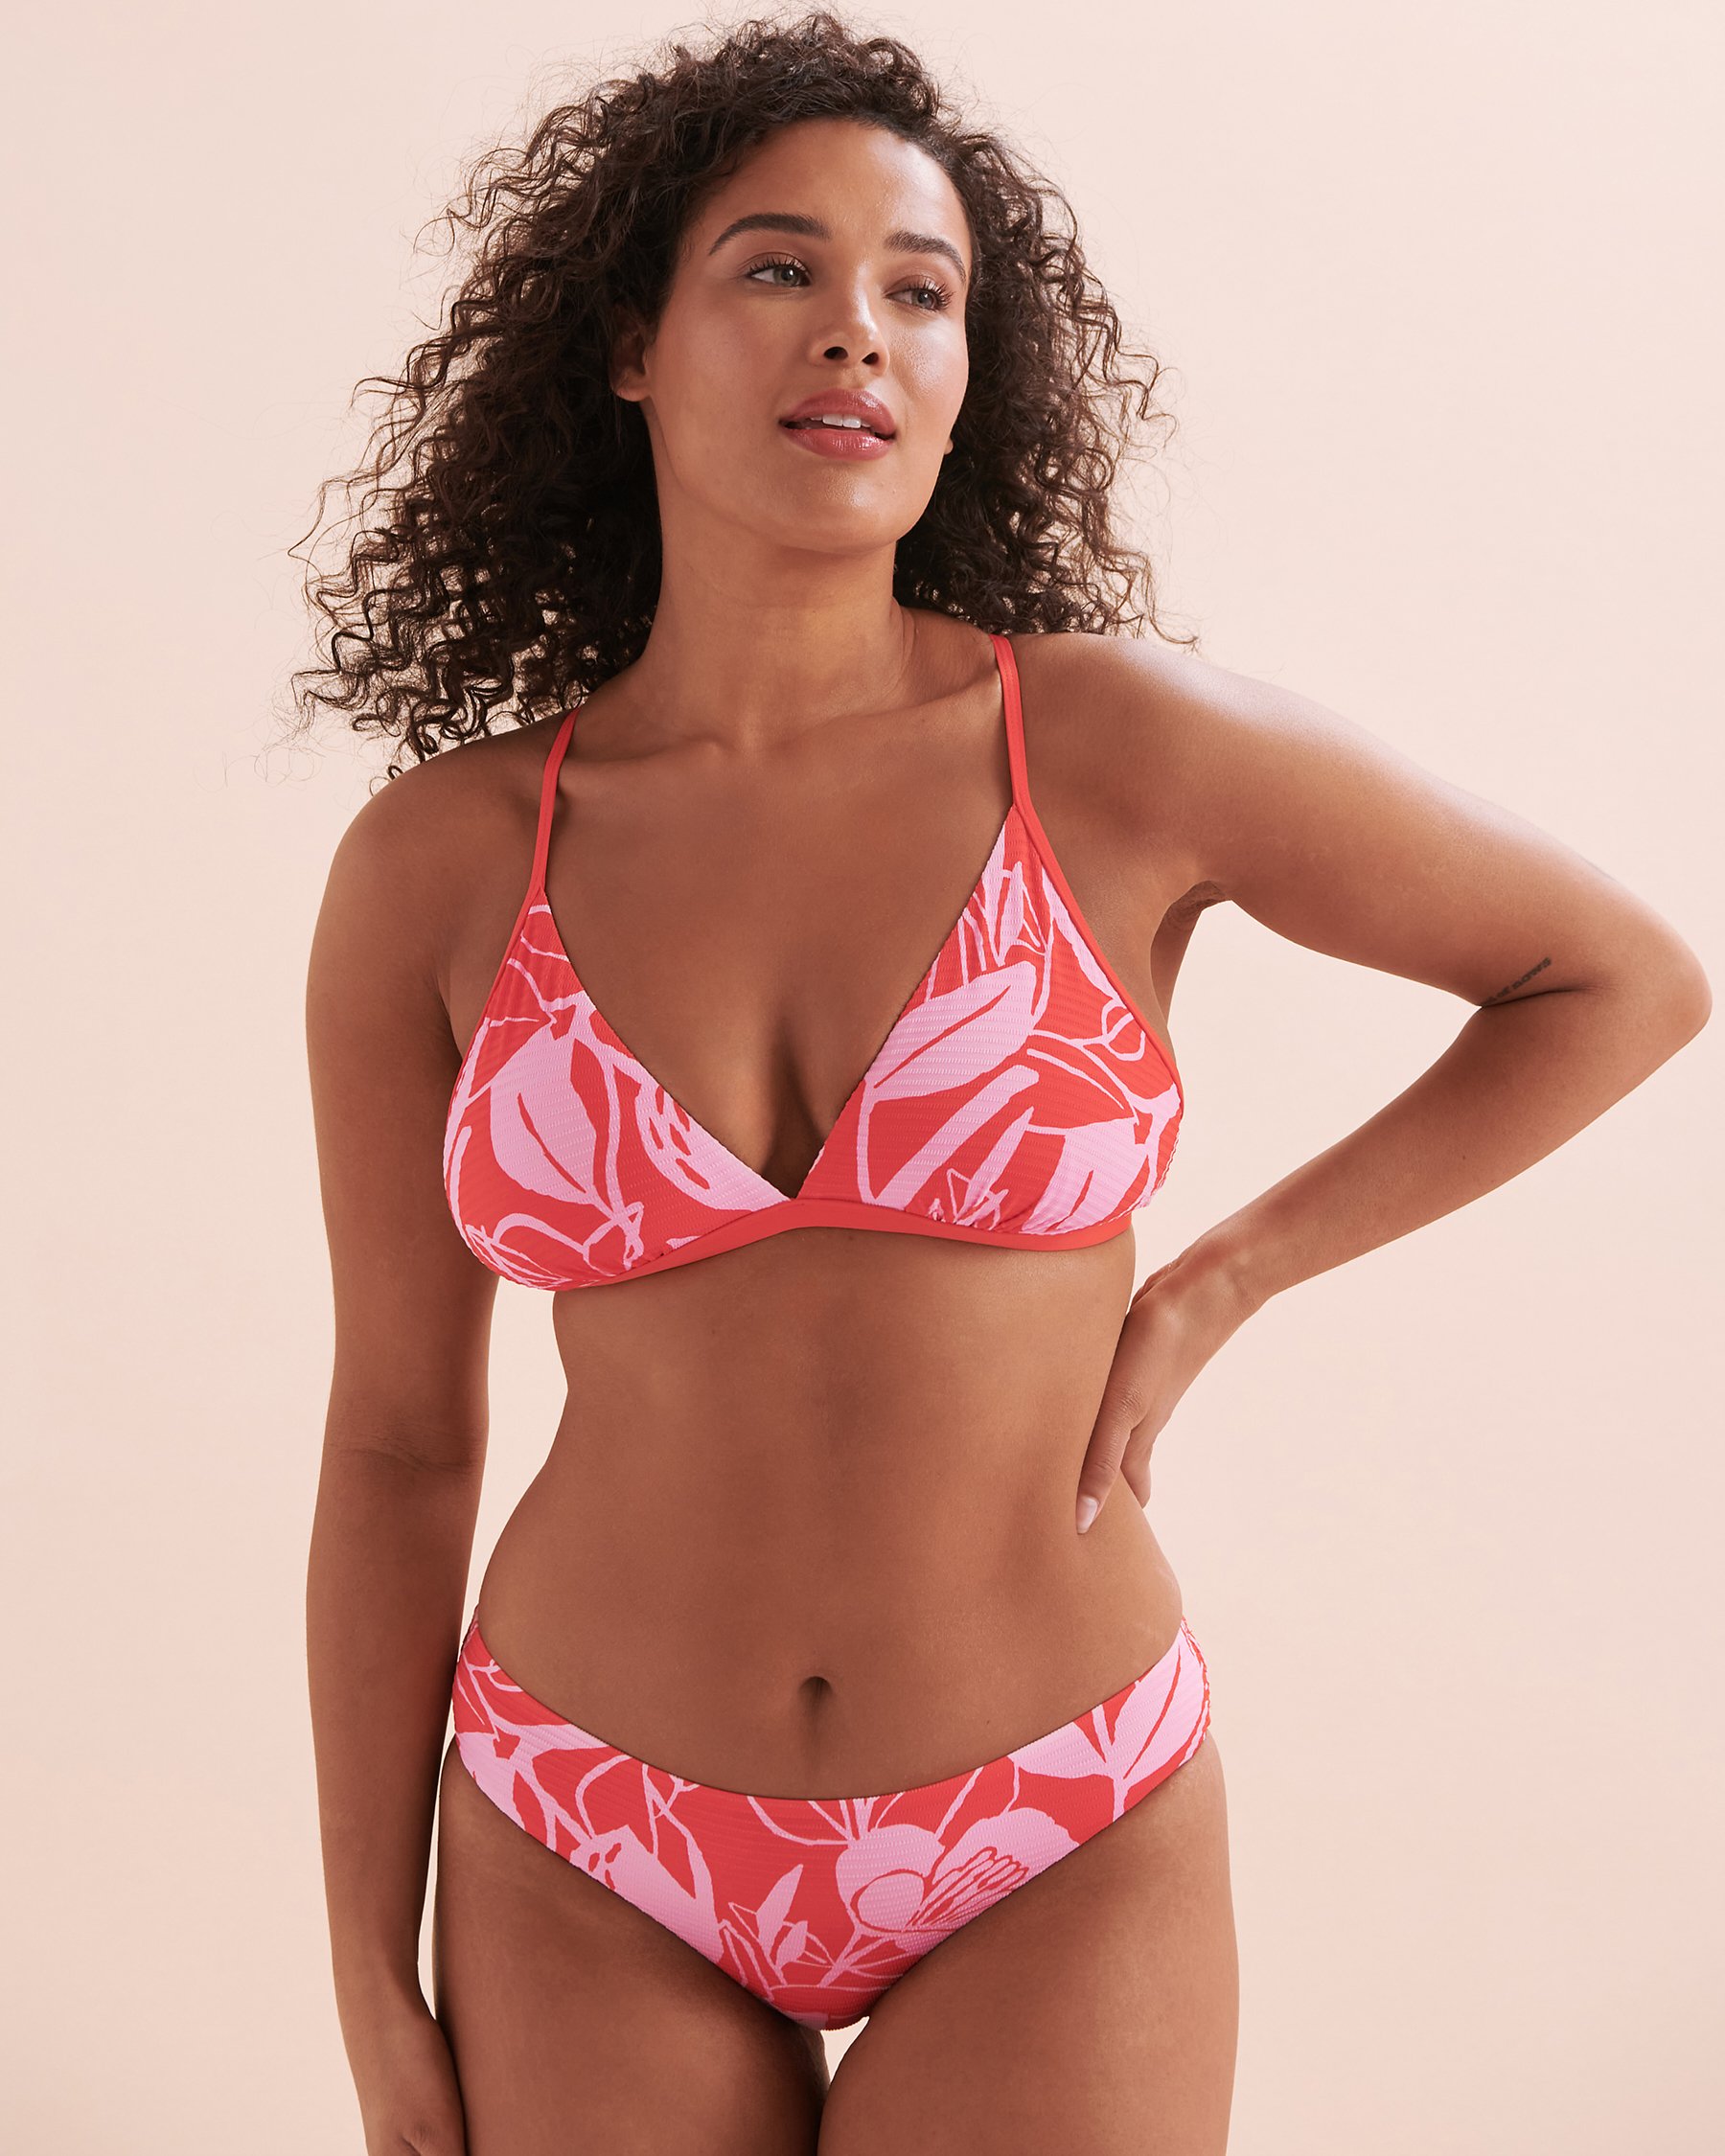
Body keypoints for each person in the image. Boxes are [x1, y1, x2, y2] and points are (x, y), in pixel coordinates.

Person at [297, 14, 1710, 2154]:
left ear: (970, 374)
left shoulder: (1111, 750)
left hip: (1056, 1827)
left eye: (920, 289)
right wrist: (365, 1971)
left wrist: (1225, 1277)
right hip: (583, 1834)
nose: (854, 330)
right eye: (779, 266)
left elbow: (1613, 976)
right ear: (628, 346)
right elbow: (403, 1441)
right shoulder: (442, 862)